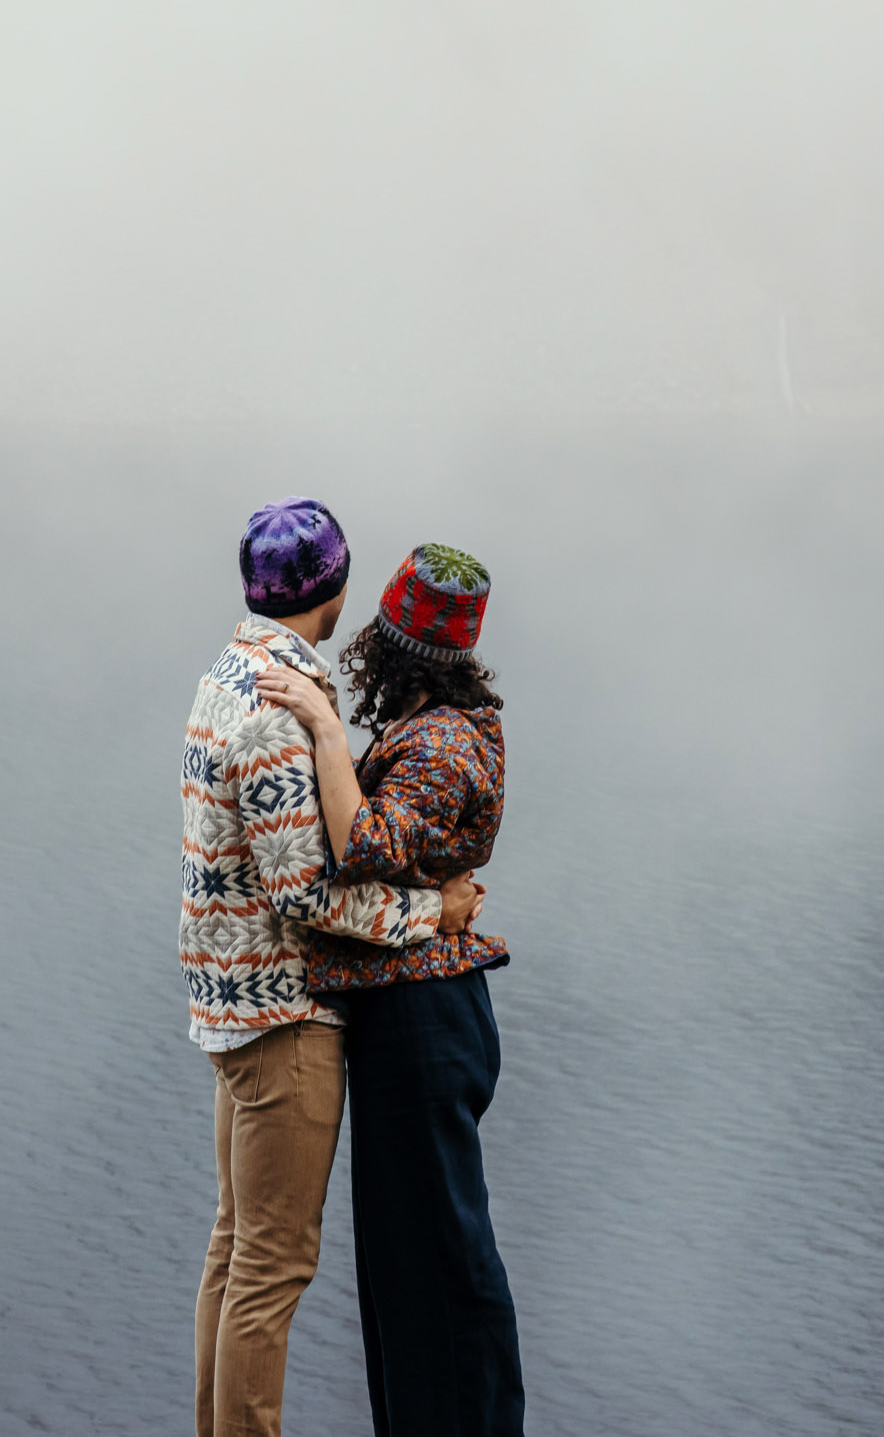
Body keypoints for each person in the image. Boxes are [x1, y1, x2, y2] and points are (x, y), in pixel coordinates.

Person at [181, 499, 482, 1437]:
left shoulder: (224, 676)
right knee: (272, 1269)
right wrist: (434, 912)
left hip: (229, 1009)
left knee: (234, 1254)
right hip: (285, 1022)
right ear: (338, 594)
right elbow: (306, 897)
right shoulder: (279, 713)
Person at [255, 542, 524, 1437]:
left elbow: (365, 842)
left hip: (424, 1021)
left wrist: (328, 732)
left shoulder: (440, 742)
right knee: (414, 1262)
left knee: (437, 1266)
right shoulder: (436, 723)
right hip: (421, 1014)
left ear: (399, 641)